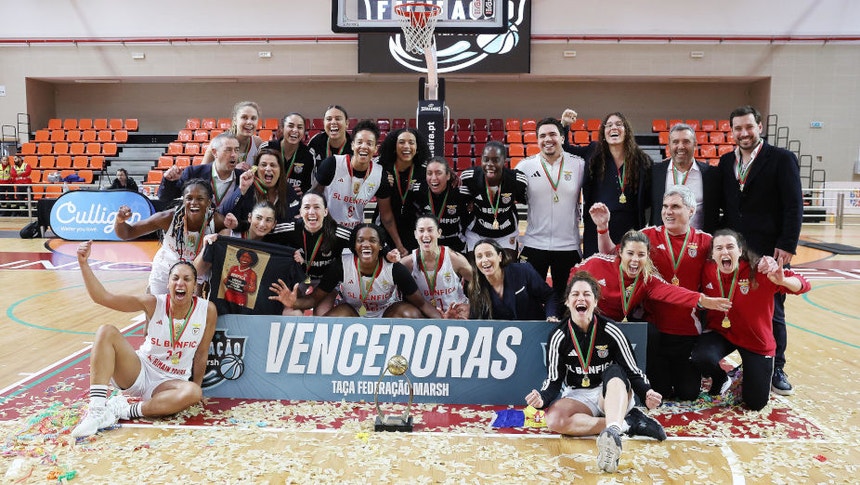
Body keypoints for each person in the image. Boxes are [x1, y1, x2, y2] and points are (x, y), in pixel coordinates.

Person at [70, 240, 217, 438]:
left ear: (194, 284)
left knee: (193, 392)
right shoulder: (153, 303)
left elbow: (201, 353)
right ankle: (97, 410)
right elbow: (103, 297)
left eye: (187, 279)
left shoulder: (207, 310)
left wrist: (196, 387)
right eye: (175, 278)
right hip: (140, 371)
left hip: (172, 382)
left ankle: (123, 410)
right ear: (168, 283)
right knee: (106, 331)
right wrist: (83, 264)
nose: (180, 283)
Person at [525, 271, 667, 473]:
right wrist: (542, 399)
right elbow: (554, 379)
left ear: (595, 301)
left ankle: (614, 431)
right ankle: (626, 424)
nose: (580, 298)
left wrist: (646, 392)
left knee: (615, 371)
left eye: (586, 294)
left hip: (609, 392)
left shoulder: (611, 330)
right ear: (567, 302)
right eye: (575, 294)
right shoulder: (558, 335)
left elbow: (632, 370)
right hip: (579, 395)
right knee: (554, 420)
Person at [592, 185, 713, 400]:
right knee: (662, 391)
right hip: (653, 329)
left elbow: (732, 260)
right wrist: (603, 229)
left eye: (675, 207)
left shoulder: (706, 242)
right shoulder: (647, 235)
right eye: (665, 206)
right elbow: (611, 255)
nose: (668, 212)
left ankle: (717, 376)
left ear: (691, 211)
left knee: (688, 393)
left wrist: (763, 264)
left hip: (686, 330)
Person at [717, 105, 803, 396]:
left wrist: (787, 244)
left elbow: (794, 205)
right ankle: (748, 363)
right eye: (738, 128)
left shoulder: (781, 159)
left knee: (773, 310)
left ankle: (777, 366)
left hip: (769, 249)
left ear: (759, 127)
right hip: (735, 251)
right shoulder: (726, 162)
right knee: (739, 306)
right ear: (731, 131)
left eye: (748, 127)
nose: (744, 133)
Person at [691, 229, 810, 410]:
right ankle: (722, 378)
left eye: (730, 247)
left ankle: (743, 372)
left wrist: (783, 281)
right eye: (719, 248)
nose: (725, 252)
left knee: (755, 403)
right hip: (722, 333)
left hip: (756, 340)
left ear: (740, 250)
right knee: (701, 357)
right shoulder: (707, 269)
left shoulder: (760, 271)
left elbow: (804, 284)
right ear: (712, 254)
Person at [270, 223, 442, 318]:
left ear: (380, 246)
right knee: (332, 320)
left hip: (386, 313)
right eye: (360, 240)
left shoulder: (395, 269)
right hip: (353, 312)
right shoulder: (341, 265)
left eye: (372, 240)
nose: (366, 244)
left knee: (410, 313)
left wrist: (444, 325)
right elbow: (315, 299)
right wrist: (294, 303)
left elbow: (421, 304)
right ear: (354, 246)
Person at [573, 230, 730, 323]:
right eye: (630, 253)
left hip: (618, 325)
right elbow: (573, 275)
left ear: (647, 256)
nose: (635, 259)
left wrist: (702, 300)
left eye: (641, 254)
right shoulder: (596, 263)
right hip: (586, 319)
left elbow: (672, 292)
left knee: (650, 333)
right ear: (620, 252)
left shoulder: (647, 279)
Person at [516, 118, 586, 316]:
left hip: (568, 246)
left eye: (553, 134)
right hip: (534, 243)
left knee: (566, 302)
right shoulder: (524, 166)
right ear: (537, 140)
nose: (548, 139)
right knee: (529, 301)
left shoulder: (579, 164)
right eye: (543, 136)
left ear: (562, 138)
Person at [115, 179, 233, 295]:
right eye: (189, 198)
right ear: (183, 200)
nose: (194, 202)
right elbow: (127, 233)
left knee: (192, 307)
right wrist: (119, 221)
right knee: (157, 306)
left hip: (195, 274)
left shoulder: (217, 221)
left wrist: (232, 227)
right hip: (165, 270)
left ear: (208, 202)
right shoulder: (167, 218)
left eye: (200, 198)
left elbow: (235, 236)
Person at [561, 110, 652, 257]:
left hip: (630, 228)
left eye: (619, 124)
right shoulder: (593, 151)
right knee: (597, 268)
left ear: (627, 131)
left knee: (627, 268)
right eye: (608, 125)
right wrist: (565, 125)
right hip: (597, 226)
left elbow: (648, 196)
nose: (613, 127)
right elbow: (565, 149)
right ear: (603, 133)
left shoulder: (642, 160)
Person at [265, 192, 352, 315]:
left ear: (325, 212)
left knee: (322, 315)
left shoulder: (338, 233)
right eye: (306, 207)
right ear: (300, 212)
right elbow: (260, 232)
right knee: (291, 314)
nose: (311, 212)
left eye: (317, 207)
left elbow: (362, 239)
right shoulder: (290, 228)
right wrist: (240, 225)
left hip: (325, 281)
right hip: (299, 279)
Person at [312, 119, 393, 230]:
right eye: (359, 142)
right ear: (352, 145)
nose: (364, 146)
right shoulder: (332, 164)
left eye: (369, 143)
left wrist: (398, 241)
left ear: (375, 149)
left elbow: (387, 217)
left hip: (355, 231)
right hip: (328, 229)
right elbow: (313, 195)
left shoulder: (379, 174)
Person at [459, 141, 528, 255]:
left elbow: (524, 198)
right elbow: (461, 201)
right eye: (486, 159)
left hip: (506, 232)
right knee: (475, 265)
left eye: (496, 160)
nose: (490, 164)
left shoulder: (517, 180)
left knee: (508, 265)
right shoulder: (469, 177)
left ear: (504, 161)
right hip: (477, 232)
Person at [650, 123, 720, 233]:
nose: (681, 146)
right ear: (669, 145)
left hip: (699, 241)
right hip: (663, 241)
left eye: (686, 141)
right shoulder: (655, 172)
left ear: (695, 145)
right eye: (675, 142)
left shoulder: (710, 174)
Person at [397, 214, 471, 319]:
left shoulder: (454, 258)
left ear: (439, 233)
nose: (425, 235)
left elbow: (479, 283)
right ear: (415, 234)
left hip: (456, 315)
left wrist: (470, 306)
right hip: (427, 317)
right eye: (421, 230)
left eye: (430, 230)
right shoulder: (407, 263)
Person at [374, 127, 432, 254]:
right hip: (385, 226)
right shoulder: (380, 166)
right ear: (394, 146)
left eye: (411, 142)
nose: (406, 146)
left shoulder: (425, 168)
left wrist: (452, 175)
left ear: (417, 147)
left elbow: (443, 173)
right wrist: (399, 246)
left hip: (414, 229)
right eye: (401, 142)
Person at [468, 239, 556, 321]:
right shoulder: (475, 286)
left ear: (500, 257)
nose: (484, 260)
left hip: (533, 328)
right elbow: (477, 320)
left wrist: (551, 315)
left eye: (489, 254)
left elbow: (549, 295)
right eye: (479, 257)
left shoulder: (523, 271)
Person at [159, 132, 245, 214]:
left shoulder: (242, 178)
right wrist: (169, 180)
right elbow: (165, 197)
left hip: (229, 223)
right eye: (228, 150)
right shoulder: (194, 173)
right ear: (215, 152)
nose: (233, 154)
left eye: (236, 150)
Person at [410, 156, 471, 253]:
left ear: (448, 175)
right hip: (428, 244)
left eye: (439, 173)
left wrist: (472, 202)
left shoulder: (460, 192)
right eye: (429, 173)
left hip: (455, 244)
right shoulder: (418, 191)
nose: (434, 178)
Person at [229, 148, 301, 224]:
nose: (268, 168)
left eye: (273, 165)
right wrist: (241, 191)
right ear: (256, 169)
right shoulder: (247, 188)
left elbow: (296, 216)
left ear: (280, 170)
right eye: (263, 165)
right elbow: (232, 219)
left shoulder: (288, 190)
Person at [260, 112, 315, 197]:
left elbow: (309, 186)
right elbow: (257, 177)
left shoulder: (308, 154)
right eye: (291, 126)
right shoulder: (267, 148)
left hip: (294, 201)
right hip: (268, 198)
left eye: (300, 127)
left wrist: (303, 192)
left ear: (304, 131)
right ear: (282, 128)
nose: (295, 130)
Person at [201, 100, 263, 168]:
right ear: (235, 120)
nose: (249, 122)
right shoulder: (219, 142)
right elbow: (202, 171)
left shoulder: (257, 143)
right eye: (244, 117)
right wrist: (232, 170)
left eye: (253, 118)